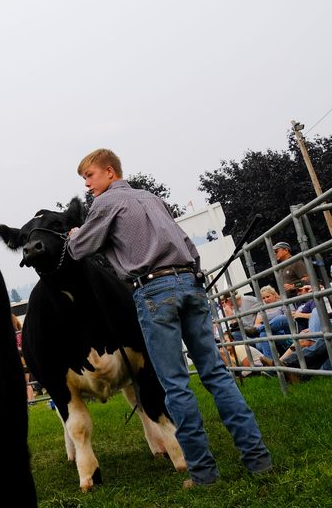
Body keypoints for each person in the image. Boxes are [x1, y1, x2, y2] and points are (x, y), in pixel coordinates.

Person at [67, 149, 272, 489]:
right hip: (191, 282)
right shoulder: (150, 198)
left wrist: (76, 235)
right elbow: (185, 242)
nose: (87, 184)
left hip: (154, 290)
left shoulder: (105, 204)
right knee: (217, 375)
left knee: (175, 384)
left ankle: (204, 473)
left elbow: (79, 251)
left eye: (89, 176)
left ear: (109, 172)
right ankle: (258, 458)